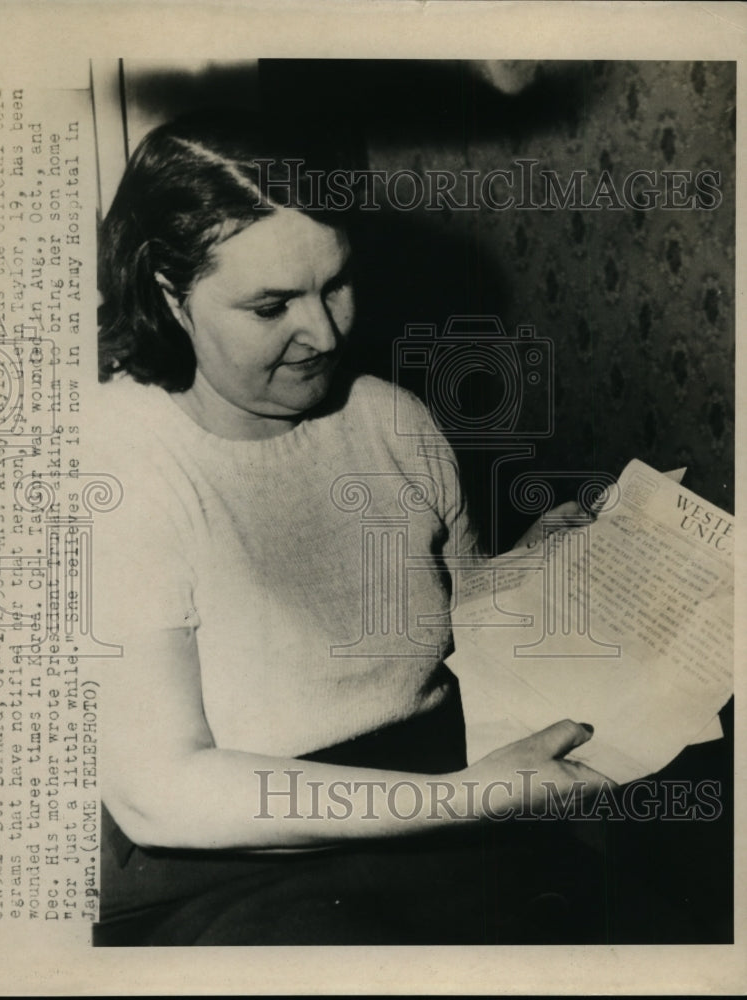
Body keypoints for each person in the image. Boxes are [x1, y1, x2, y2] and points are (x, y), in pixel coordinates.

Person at [91, 110, 619, 946]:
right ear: (168, 295)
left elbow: (450, 626)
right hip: (234, 860)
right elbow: (160, 789)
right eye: (272, 307)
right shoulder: (114, 459)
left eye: (336, 283)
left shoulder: (390, 416)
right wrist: (470, 796)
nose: (328, 332)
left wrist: (532, 571)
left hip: (441, 803)